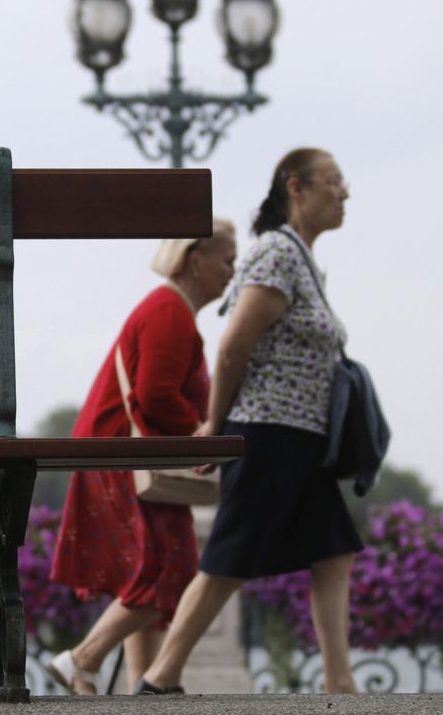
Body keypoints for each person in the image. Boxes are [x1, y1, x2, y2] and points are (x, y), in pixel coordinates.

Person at [137, 148, 361, 695]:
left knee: (334, 550)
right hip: (269, 432)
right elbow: (234, 346)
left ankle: (340, 681)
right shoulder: (276, 254)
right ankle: (160, 677)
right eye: (332, 182)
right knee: (229, 560)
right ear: (296, 188)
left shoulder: (299, 257)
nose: (344, 192)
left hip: (302, 436)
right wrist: (214, 426)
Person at [46, 219, 237, 695]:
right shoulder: (170, 311)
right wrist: (199, 432)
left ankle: (140, 690)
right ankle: (81, 660)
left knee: (149, 568)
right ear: (196, 260)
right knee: (172, 571)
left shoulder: (168, 308)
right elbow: (155, 395)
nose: (233, 271)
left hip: (119, 453)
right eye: (228, 259)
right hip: (128, 457)